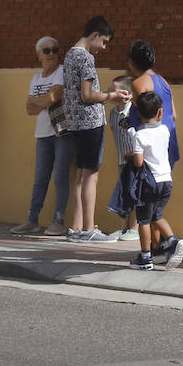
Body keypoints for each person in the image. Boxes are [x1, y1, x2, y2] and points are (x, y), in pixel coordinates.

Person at [63, 16, 130, 242]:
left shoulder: (70, 54)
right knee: (91, 175)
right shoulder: (86, 58)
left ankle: (77, 228)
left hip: (74, 123)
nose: (103, 47)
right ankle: (89, 228)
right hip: (90, 122)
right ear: (94, 35)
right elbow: (87, 94)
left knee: (81, 175)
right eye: (103, 41)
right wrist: (111, 96)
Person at [11, 36, 73, 236]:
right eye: (46, 51)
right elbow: (29, 109)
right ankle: (32, 219)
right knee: (40, 178)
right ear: (38, 55)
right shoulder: (37, 78)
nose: (51, 54)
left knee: (61, 176)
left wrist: (38, 100)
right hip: (43, 133)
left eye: (55, 50)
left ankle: (58, 220)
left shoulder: (63, 72)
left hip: (62, 131)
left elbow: (54, 97)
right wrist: (43, 100)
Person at [127, 91, 183, 270]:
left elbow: (138, 162)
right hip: (166, 180)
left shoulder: (139, 135)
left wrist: (130, 152)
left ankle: (146, 257)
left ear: (138, 114)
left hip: (149, 183)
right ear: (160, 112)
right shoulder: (164, 130)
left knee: (144, 219)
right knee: (157, 215)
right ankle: (172, 240)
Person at [128, 40, 179, 250]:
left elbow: (141, 114)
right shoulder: (163, 81)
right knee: (156, 203)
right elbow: (173, 114)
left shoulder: (138, 83)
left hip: (147, 146)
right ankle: (157, 247)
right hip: (167, 141)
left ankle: (153, 249)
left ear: (131, 63)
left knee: (146, 203)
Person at [107, 75, 140, 241]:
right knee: (124, 192)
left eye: (114, 90)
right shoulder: (113, 113)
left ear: (127, 94)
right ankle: (123, 227)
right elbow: (114, 130)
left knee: (135, 192)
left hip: (135, 160)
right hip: (122, 159)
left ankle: (135, 227)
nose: (110, 93)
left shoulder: (133, 112)